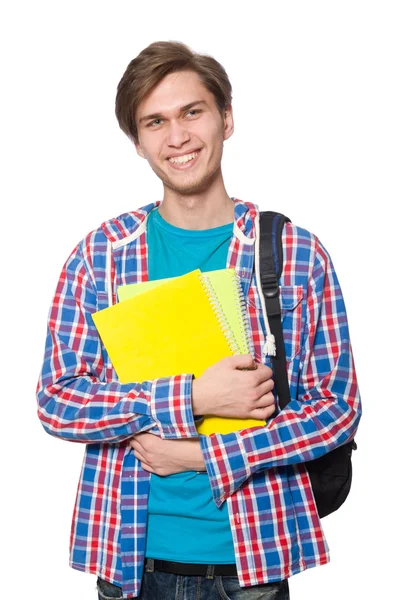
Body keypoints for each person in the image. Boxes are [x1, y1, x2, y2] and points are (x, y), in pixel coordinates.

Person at [36, 41, 361, 600]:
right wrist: (192, 398)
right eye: (154, 122)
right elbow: (57, 401)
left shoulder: (294, 254)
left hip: (252, 562)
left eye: (192, 112)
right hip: (130, 562)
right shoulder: (101, 255)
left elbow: (336, 410)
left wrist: (203, 455)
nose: (177, 137)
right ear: (138, 142)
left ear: (226, 118)